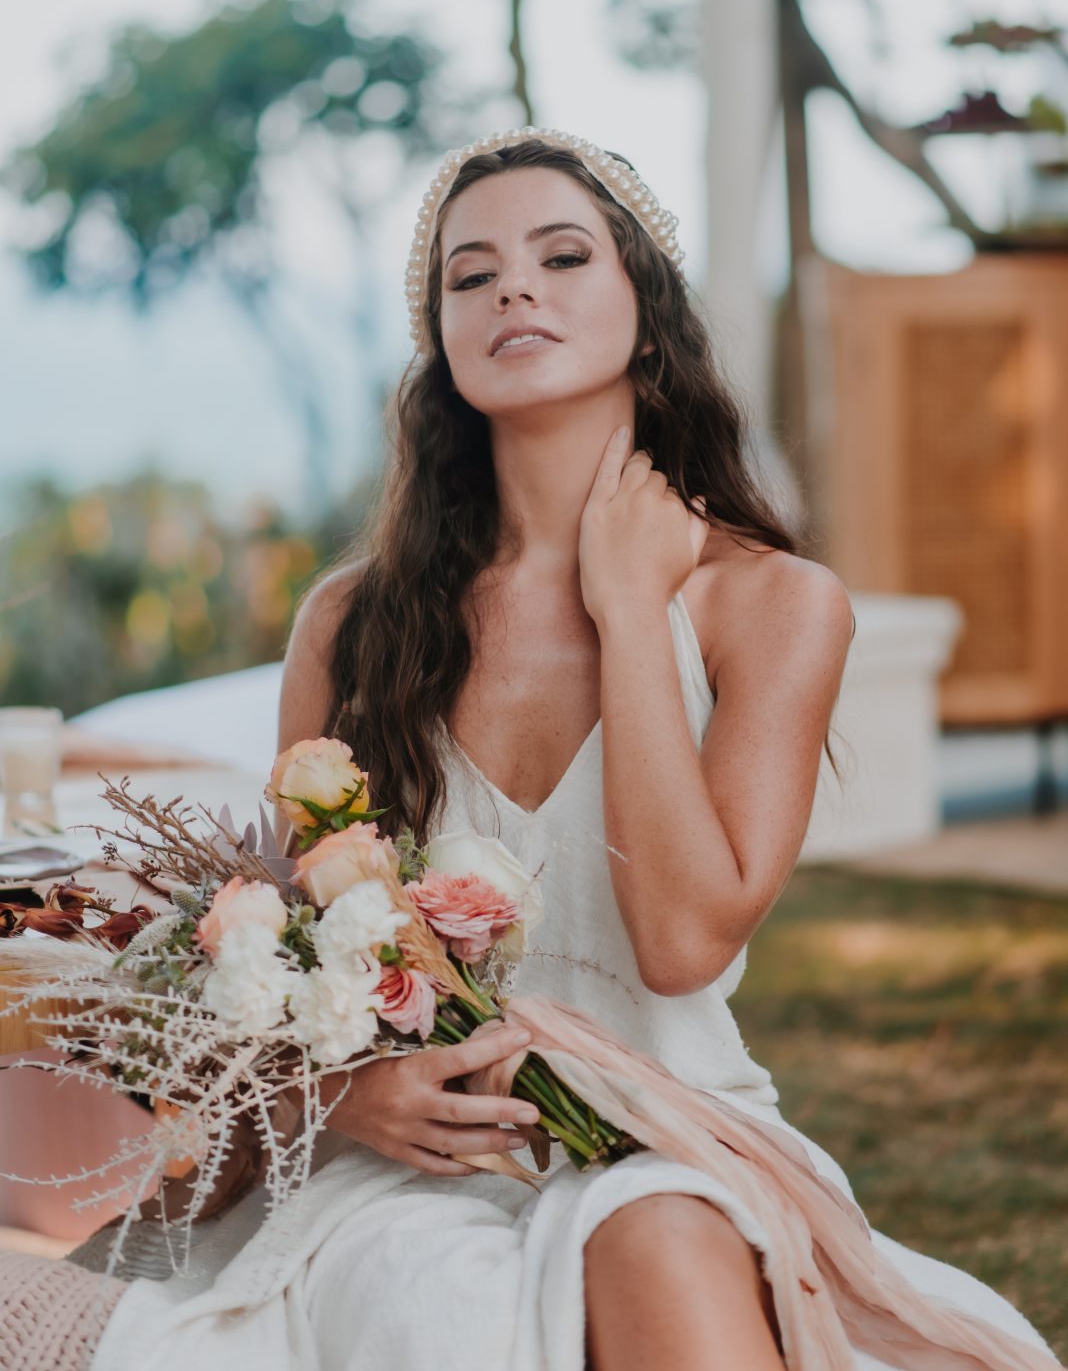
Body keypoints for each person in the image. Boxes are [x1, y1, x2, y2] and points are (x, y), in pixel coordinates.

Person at [6, 128, 1059, 1370]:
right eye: (473, 274)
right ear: (443, 343)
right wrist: (348, 1094)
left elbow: (679, 943)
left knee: (662, 1229)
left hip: (675, 1124)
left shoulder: (772, 606)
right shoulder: (351, 624)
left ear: (648, 313)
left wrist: (631, 607)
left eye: (563, 257)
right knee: (444, 1295)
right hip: (415, 1161)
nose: (515, 288)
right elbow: (294, 965)